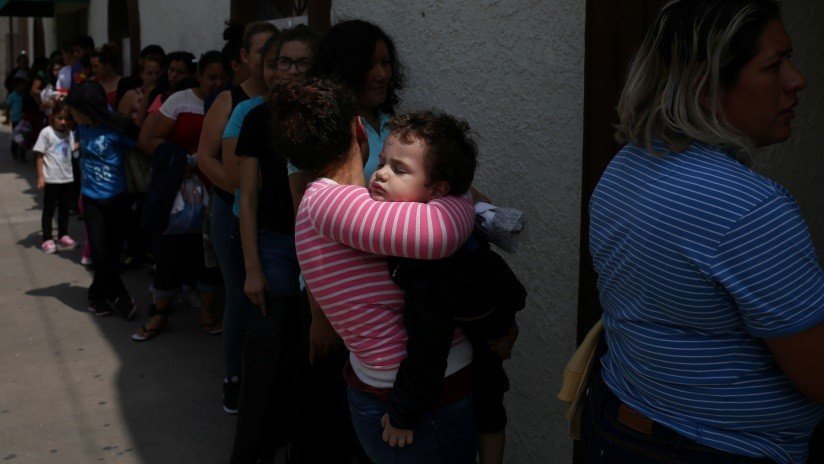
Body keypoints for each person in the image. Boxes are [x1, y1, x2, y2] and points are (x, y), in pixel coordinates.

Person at [586, 1, 823, 463]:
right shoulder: (749, 208)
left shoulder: (627, 164)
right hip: (713, 446)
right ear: (706, 87)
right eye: (773, 65)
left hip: (621, 423)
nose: (796, 80)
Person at [273, 76, 478, 464]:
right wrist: (462, 194)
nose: (383, 172)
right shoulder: (332, 203)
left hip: (406, 392)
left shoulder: (343, 204)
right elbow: (440, 233)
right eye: (385, 163)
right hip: (411, 400)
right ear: (358, 128)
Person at [365, 111, 526, 464]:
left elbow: (428, 348)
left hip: (486, 331)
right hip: (489, 312)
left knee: (488, 401)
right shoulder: (437, 216)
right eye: (381, 162)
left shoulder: (428, 265)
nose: (380, 174)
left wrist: (402, 414)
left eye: (399, 169)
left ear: (437, 189)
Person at [229, 25, 318, 462]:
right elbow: (246, 197)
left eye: (303, 63)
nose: (291, 72)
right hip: (275, 247)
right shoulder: (257, 118)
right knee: (264, 349)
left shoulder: (328, 120)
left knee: (307, 356)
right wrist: (252, 268)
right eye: (284, 62)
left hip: (321, 251)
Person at [195, 20, 277, 413]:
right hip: (231, 212)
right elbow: (205, 157)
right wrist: (241, 190)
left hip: (269, 214)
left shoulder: (286, 101)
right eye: (264, 52)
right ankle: (233, 376)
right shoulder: (231, 101)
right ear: (245, 56)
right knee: (240, 296)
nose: (272, 61)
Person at [132, 51, 227, 342]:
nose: (217, 83)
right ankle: (159, 313)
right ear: (198, 76)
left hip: (216, 193)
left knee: (208, 256)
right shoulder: (180, 101)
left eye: (223, 77)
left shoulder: (230, 103)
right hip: (177, 196)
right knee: (169, 253)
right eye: (212, 77)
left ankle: (208, 312)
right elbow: (147, 140)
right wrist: (182, 161)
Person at [65, 81, 139, 319]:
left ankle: (97, 296)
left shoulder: (115, 128)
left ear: (89, 110)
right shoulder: (81, 127)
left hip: (118, 198)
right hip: (91, 199)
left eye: (75, 111)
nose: (73, 116)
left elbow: (140, 143)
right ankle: (121, 297)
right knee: (99, 252)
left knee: (112, 252)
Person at [310, 19, 404, 180]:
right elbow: (307, 203)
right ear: (341, 71)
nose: (382, 75)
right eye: (368, 66)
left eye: (385, 62)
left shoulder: (396, 125)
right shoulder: (320, 131)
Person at [34, 101, 77, 254]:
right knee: (49, 210)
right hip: (51, 179)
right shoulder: (46, 133)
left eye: (66, 119)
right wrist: (40, 177)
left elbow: (72, 149)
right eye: (60, 118)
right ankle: (47, 238)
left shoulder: (69, 133)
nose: (63, 122)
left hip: (67, 178)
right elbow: (39, 155)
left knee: (65, 209)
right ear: (52, 117)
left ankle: (63, 235)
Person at [135, 51, 196, 127]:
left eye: (180, 72)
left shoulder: (194, 97)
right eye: (171, 70)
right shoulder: (157, 93)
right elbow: (140, 124)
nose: (174, 76)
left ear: (191, 75)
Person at [117, 53, 163, 124]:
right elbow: (120, 124)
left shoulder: (165, 94)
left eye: (157, 73)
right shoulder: (131, 95)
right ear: (141, 74)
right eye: (149, 73)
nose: (154, 77)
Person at [90, 44, 122, 109]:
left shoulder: (122, 83)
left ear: (108, 65)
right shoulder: (90, 83)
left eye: (96, 66)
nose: (93, 70)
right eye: (92, 67)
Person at [6, 77, 27, 161]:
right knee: (17, 138)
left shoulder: (25, 96)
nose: (22, 88)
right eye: (20, 86)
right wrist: (7, 118)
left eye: (23, 85)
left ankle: (22, 154)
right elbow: (8, 107)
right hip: (16, 120)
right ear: (15, 87)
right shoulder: (12, 95)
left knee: (24, 138)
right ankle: (14, 151)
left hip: (24, 120)